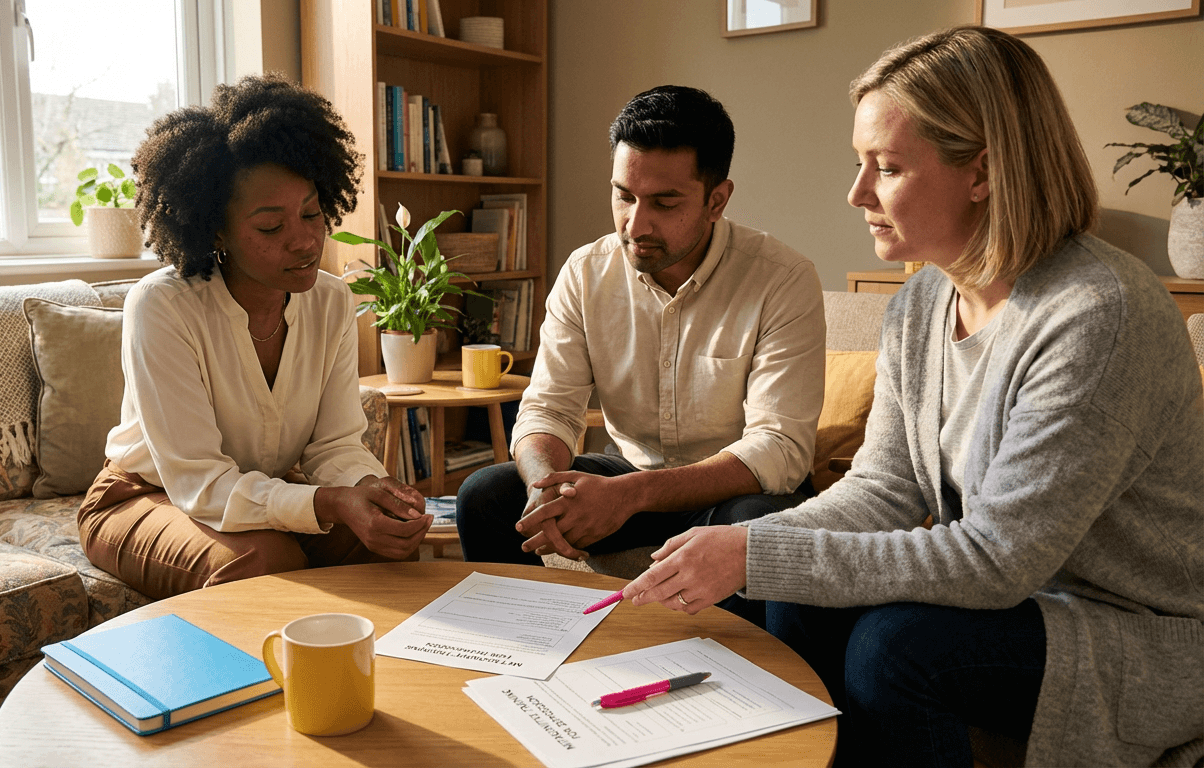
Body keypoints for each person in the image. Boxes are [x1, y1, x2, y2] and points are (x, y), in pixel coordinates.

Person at [621, 27, 1204, 767]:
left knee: (894, 649)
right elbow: (883, 488)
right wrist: (753, 547)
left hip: (1139, 630)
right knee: (791, 577)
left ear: (983, 172)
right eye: (859, 163)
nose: (857, 193)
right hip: (1026, 604)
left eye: (887, 167)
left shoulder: (1097, 314)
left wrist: (756, 556)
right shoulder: (924, 299)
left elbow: (998, 558)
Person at [456, 86, 827, 591]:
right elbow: (549, 409)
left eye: (664, 202)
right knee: (485, 494)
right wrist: (546, 486)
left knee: (758, 522)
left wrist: (632, 494)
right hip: (631, 475)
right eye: (623, 196)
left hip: (733, 492)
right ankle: (538, 646)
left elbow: (779, 450)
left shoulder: (782, 279)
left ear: (716, 200)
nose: (636, 223)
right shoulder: (586, 272)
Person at [78, 73, 431, 600]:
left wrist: (366, 490)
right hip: (146, 496)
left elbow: (333, 443)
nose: (306, 240)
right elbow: (199, 483)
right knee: (267, 561)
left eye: (312, 213)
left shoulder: (331, 300)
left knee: (379, 541)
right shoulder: (163, 307)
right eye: (271, 227)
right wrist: (327, 504)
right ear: (216, 230)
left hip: (250, 489)